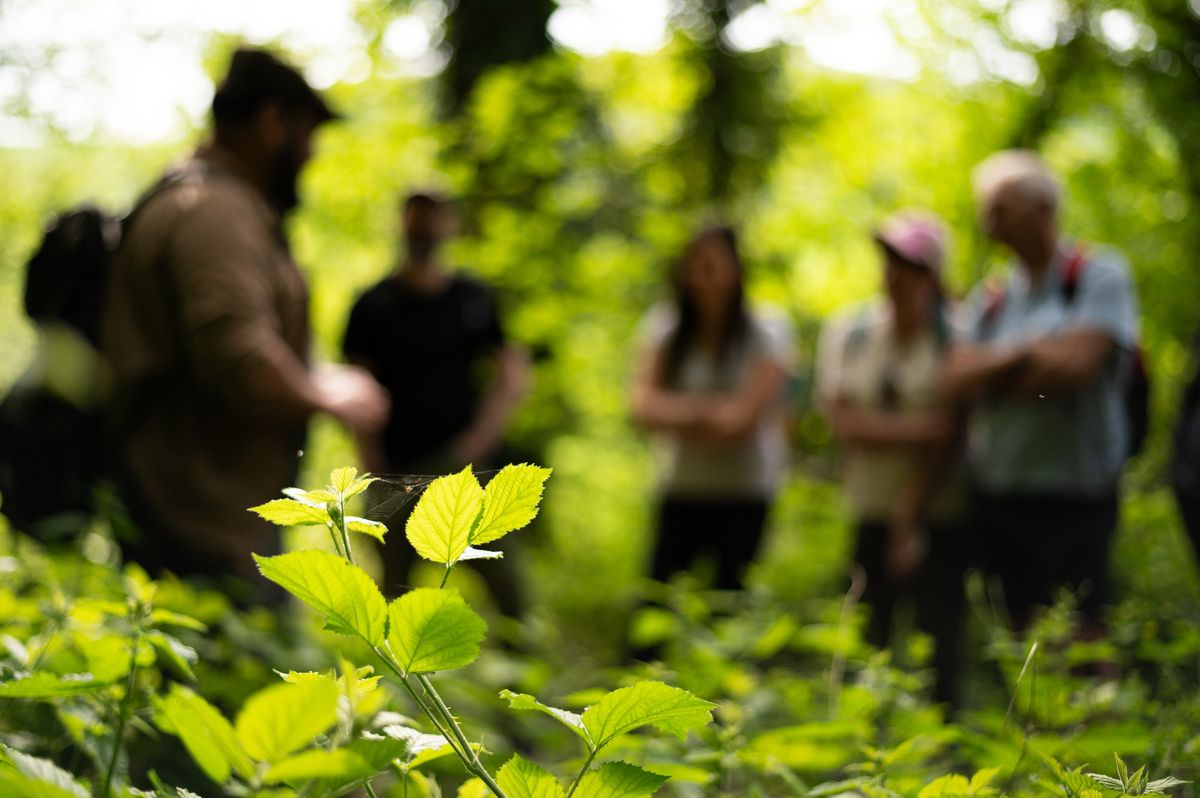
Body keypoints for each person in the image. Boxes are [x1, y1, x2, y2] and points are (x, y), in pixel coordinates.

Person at [102, 47, 389, 591]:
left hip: (204, 513)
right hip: (202, 529)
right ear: (270, 123)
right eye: (308, 136)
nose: (310, 155)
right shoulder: (214, 211)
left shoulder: (206, 198)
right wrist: (325, 396)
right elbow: (238, 356)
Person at [945, 150, 1140, 636]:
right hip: (1003, 494)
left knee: (1083, 635)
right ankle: (1033, 716)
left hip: (1078, 496)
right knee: (1020, 629)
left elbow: (1074, 369)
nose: (987, 222)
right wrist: (1030, 352)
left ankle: (1092, 716)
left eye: (999, 208)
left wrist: (996, 374)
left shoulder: (1099, 275)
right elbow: (954, 376)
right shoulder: (992, 297)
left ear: (1042, 209)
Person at [342, 191, 529, 611]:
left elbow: (512, 372)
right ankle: (398, 674)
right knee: (393, 594)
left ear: (450, 226)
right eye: (416, 220)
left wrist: (481, 438)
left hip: (466, 470)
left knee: (506, 583)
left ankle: (521, 672)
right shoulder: (372, 305)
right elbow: (355, 387)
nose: (424, 231)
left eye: (433, 220)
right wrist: (371, 466)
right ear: (401, 225)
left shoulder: (472, 299)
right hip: (394, 468)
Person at [815, 211, 970, 707]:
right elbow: (842, 423)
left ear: (934, 273)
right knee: (866, 640)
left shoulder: (961, 335)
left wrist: (911, 511)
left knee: (938, 643)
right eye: (890, 261)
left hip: (943, 516)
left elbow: (955, 435)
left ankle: (940, 755)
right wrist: (922, 429)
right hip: (867, 511)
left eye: (910, 264)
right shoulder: (851, 329)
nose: (896, 275)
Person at [631, 225, 792, 593]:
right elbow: (642, 408)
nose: (703, 276)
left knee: (730, 602)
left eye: (712, 265)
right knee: (656, 603)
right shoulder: (665, 328)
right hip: (680, 489)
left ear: (736, 269)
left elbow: (742, 422)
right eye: (695, 264)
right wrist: (710, 413)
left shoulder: (767, 330)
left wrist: (679, 416)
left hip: (745, 493)